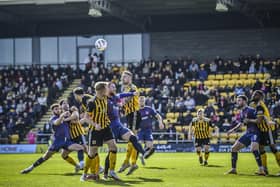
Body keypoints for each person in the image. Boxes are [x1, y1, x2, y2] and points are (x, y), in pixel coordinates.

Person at [21, 103, 84, 174]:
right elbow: (57, 123)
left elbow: (75, 118)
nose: (58, 110)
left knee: (80, 148)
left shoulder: (65, 117)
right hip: (58, 141)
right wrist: (62, 116)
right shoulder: (52, 118)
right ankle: (30, 168)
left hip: (66, 141)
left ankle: (80, 164)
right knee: (45, 157)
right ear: (53, 111)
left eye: (59, 109)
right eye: (56, 109)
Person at [104, 82, 145, 177]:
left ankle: (144, 153)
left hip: (119, 127)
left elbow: (122, 95)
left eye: (115, 86)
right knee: (111, 150)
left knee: (133, 137)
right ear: (107, 88)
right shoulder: (104, 99)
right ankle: (106, 172)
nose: (114, 88)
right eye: (112, 87)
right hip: (110, 129)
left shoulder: (116, 97)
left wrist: (132, 94)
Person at [80, 82, 119, 181]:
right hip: (95, 130)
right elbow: (86, 118)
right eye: (106, 88)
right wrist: (95, 125)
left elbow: (116, 96)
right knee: (92, 153)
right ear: (101, 90)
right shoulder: (92, 102)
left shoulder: (106, 98)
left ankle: (112, 171)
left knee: (113, 147)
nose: (108, 90)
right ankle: (84, 174)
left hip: (106, 127)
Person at [225, 95, 265, 175]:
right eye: (237, 100)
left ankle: (261, 169)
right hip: (248, 133)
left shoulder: (251, 110)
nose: (237, 102)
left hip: (255, 132)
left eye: (239, 100)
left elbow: (259, 120)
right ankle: (233, 169)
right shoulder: (242, 112)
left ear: (244, 101)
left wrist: (249, 120)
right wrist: (232, 130)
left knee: (254, 149)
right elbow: (241, 124)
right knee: (234, 148)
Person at [73, 87, 104, 174]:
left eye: (75, 95)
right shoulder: (86, 99)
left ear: (76, 95)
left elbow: (92, 112)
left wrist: (88, 121)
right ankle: (98, 168)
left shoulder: (85, 100)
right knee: (92, 149)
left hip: (97, 123)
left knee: (92, 149)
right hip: (96, 122)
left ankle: (98, 169)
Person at [250, 90, 280, 175]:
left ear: (260, 96)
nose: (253, 96)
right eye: (253, 94)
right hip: (262, 130)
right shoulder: (255, 105)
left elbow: (260, 120)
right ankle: (264, 169)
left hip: (268, 129)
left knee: (273, 148)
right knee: (261, 148)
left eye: (255, 95)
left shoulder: (260, 105)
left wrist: (248, 120)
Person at [118, 71, 142, 174]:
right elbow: (123, 105)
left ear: (130, 78)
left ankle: (129, 162)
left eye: (125, 77)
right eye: (122, 77)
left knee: (132, 138)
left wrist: (118, 100)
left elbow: (126, 100)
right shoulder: (125, 89)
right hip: (129, 115)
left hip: (134, 114)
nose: (123, 79)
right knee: (131, 139)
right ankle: (131, 162)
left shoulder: (132, 87)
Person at [61, 99, 87, 170]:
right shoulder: (60, 115)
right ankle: (77, 165)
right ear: (61, 106)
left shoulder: (72, 109)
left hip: (78, 134)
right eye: (63, 103)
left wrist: (66, 120)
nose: (66, 104)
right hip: (70, 138)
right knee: (63, 155)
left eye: (67, 103)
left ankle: (98, 167)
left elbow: (76, 116)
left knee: (86, 150)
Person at [137, 96, 164, 162]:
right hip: (139, 130)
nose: (141, 102)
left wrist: (160, 122)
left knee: (151, 147)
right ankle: (134, 161)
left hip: (148, 130)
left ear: (144, 101)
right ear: (138, 101)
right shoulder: (136, 110)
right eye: (140, 101)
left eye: (143, 101)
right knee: (139, 144)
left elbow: (158, 116)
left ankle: (143, 156)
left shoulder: (149, 109)